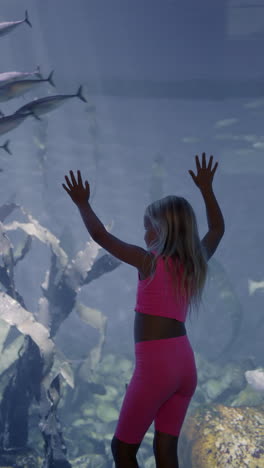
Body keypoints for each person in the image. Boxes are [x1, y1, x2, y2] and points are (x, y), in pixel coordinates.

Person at [62, 152, 225, 468]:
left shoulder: (149, 261)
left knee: (122, 450)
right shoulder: (194, 263)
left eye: (148, 228)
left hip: (156, 368)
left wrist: (83, 203)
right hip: (184, 365)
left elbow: (100, 237)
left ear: (162, 231)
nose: (144, 235)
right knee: (165, 452)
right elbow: (217, 229)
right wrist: (206, 189)